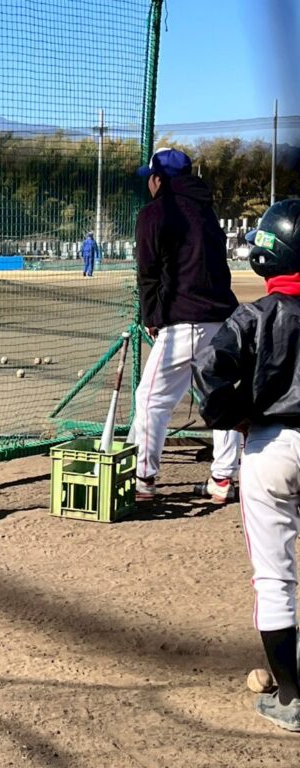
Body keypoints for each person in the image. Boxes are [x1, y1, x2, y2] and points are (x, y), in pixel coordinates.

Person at [193, 199, 300, 732]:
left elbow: (207, 374)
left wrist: (236, 418)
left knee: (275, 577)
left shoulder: (253, 316)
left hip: (271, 447)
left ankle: (291, 698)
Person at [126, 147, 241, 501]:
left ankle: (143, 480)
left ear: (159, 179)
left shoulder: (155, 212)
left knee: (151, 399)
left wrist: (151, 317)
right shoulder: (207, 211)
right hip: (223, 319)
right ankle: (223, 479)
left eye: (151, 178)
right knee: (220, 395)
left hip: (186, 321)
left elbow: (148, 273)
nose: (149, 183)